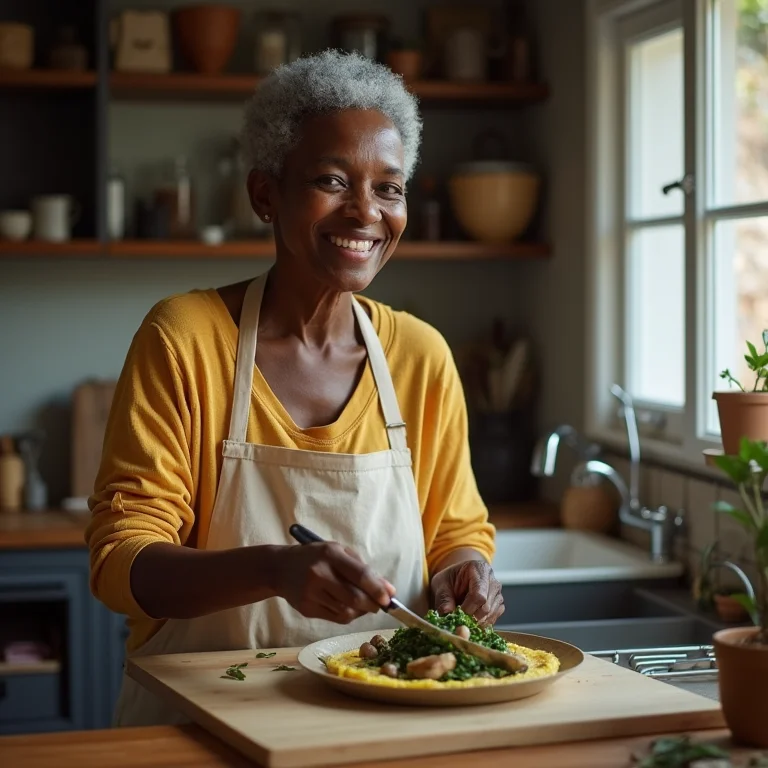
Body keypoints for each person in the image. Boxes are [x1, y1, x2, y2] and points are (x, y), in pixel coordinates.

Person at [86, 50, 503, 727]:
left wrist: (466, 571)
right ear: (264, 195)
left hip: (380, 729)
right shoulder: (185, 338)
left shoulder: (419, 355)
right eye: (333, 181)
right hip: (198, 727)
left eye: (389, 188)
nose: (365, 212)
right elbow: (121, 563)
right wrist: (274, 571)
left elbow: (455, 529)